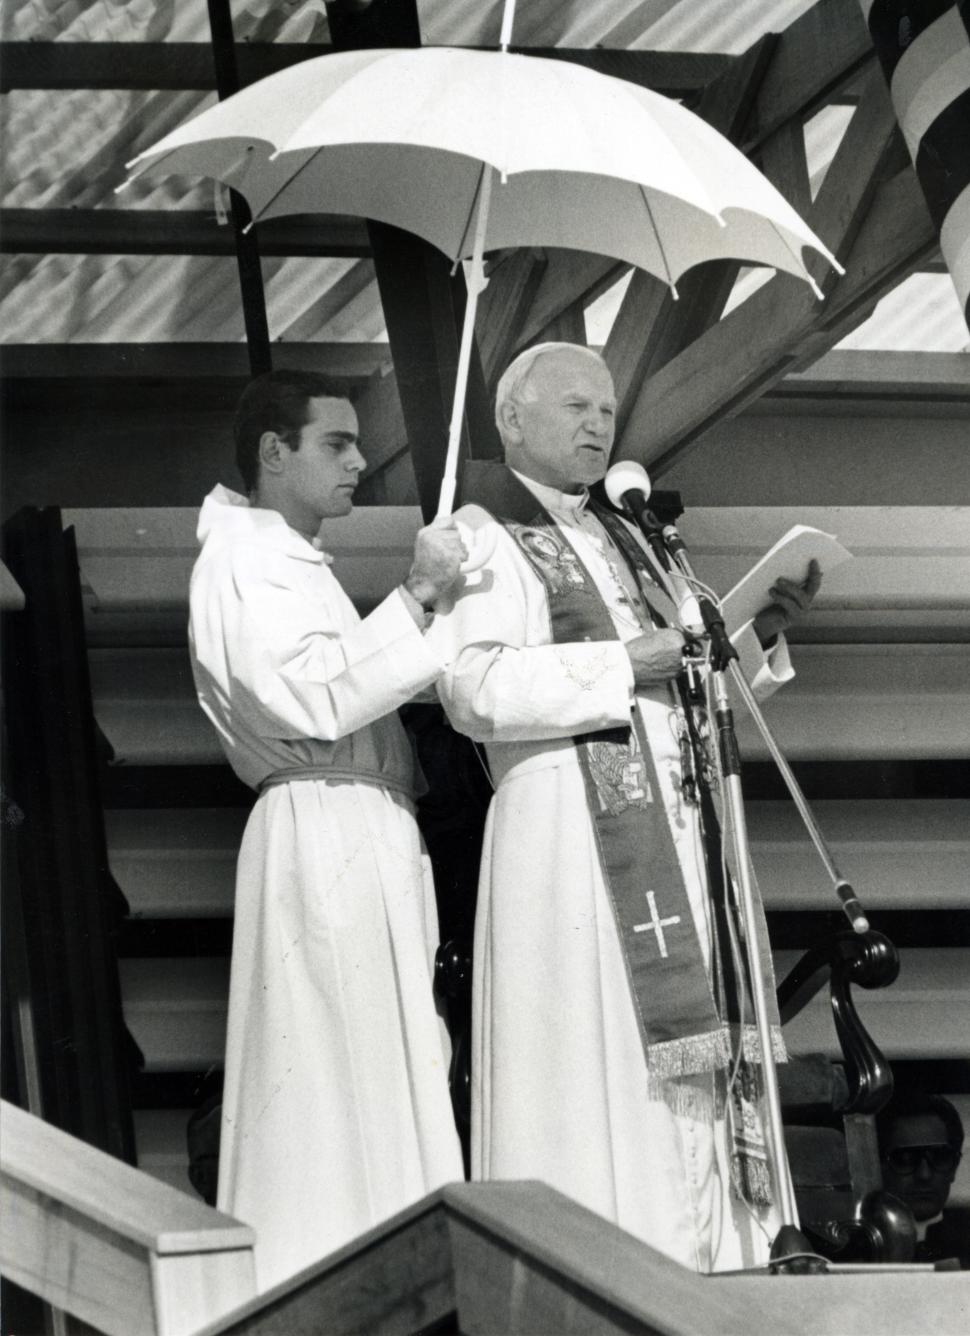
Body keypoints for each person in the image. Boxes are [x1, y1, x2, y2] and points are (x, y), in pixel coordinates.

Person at [431, 342, 820, 1273]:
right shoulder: (485, 536)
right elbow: (470, 690)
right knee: (592, 1054)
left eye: (607, 408)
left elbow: (682, 689)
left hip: (681, 836)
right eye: (574, 406)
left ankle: (719, 1264)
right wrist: (620, 664)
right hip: (571, 838)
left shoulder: (634, 537)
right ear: (511, 420)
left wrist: (756, 634)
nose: (599, 424)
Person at [188, 369, 465, 1290]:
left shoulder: (289, 558)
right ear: (274, 453)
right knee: (330, 1068)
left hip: (359, 821)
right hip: (320, 822)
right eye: (335, 445)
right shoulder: (245, 558)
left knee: (380, 1061)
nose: (358, 463)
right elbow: (308, 693)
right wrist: (416, 594)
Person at [879, 1092, 968, 1267]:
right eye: (905, 1159)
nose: (924, 1175)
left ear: (954, 1167)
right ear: (879, 1165)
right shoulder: (856, 1250)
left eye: (940, 1157)